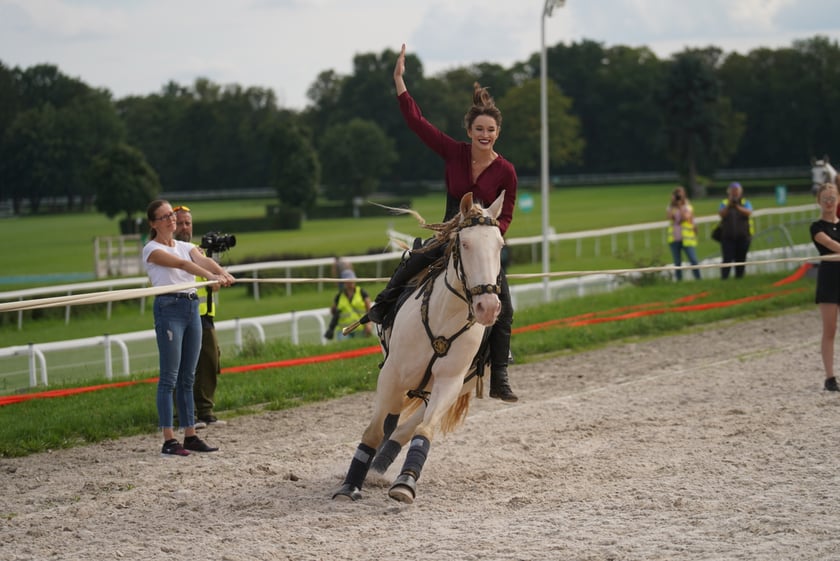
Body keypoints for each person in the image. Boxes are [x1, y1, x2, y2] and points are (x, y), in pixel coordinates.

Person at [365, 43, 519, 402]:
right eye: (479, 128)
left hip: (482, 243)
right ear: (470, 130)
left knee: (506, 306)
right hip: (451, 231)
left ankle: (499, 375)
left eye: (490, 129)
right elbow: (417, 123)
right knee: (414, 261)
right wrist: (400, 82)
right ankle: (383, 308)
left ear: (497, 132)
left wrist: (488, 238)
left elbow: (507, 213)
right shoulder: (454, 152)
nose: (484, 134)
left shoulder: (507, 171)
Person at [143, 200, 235, 456]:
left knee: (188, 377)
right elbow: (182, 265)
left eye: (171, 215)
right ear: (153, 223)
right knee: (169, 377)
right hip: (169, 309)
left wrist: (222, 272)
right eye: (165, 216)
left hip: (191, 307)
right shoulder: (151, 249)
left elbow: (203, 260)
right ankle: (169, 440)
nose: (171, 219)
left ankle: (190, 435)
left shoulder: (186, 247)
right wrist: (211, 277)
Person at [174, 205, 226, 427]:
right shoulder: (169, 251)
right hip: (179, 314)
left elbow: (213, 284)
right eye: (180, 223)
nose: (185, 227)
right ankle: (184, 415)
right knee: (183, 367)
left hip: (204, 316)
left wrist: (218, 276)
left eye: (188, 223)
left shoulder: (198, 252)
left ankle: (205, 410)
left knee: (209, 363)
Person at [811, 183, 840, 392]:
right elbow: (829, 244)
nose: (829, 203)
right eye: (825, 199)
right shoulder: (816, 227)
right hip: (829, 281)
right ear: (819, 201)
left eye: (832, 198)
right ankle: (830, 378)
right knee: (830, 329)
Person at [717, 182, 754, 279]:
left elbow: (748, 212)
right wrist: (729, 205)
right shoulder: (724, 203)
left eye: (736, 191)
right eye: (732, 191)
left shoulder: (745, 202)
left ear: (740, 192)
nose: (734, 193)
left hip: (743, 236)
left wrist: (737, 206)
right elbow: (721, 214)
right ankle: (724, 278)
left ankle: (739, 277)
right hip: (728, 236)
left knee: (741, 258)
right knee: (727, 259)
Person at [324, 269, 373, 340]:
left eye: (352, 279)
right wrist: (331, 327)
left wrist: (368, 324)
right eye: (348, 280)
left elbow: (369, 310)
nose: (350, 282)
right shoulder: (339, 296)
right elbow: (333, 311)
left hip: (360, 328)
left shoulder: (362, 293)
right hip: (344, 331)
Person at [666, 186, 701, 280]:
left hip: (687, 239)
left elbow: (685, 217)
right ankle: (679, 280)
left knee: (693, 260)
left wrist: (680, 206)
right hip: (674, 238)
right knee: (677, 262)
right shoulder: (671, 207)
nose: (679, 196)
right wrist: (673, 203)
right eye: (677, 194)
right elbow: (669, 217)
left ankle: (698, 278)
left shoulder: (687, 206)